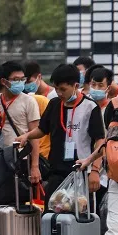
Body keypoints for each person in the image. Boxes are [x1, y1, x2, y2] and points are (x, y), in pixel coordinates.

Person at [17, 64, 105, 206]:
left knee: (80, 217)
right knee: (51, 215)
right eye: (56, 88)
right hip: (56, 171)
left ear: (76, 85)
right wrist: (27, 136)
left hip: (81, 171)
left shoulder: (90, 107)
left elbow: (100, 140)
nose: (59, 93)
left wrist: (95, 169)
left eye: (63, 89)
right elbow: (42, 129)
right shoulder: (54, 104)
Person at [0, 61, 42, 185]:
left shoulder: (29, 101)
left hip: (22, 158)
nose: (20, 83)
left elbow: (35, 135)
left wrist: (35, 166)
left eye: (22, 79)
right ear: (4, 81)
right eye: (15, 79)